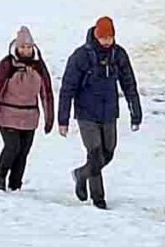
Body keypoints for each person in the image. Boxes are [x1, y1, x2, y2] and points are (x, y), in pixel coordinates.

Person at [57, 16, 142, 209]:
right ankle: (98, 198)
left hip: (109, 112)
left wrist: (135, 111)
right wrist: (63, 119)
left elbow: (129, 83)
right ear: (96, 35)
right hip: (86, 113)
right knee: (95, 154)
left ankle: (81, 174)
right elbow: (67, 88)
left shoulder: (118, 55)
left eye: (110, 37)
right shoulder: (81, 56)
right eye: (103, 37)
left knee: (108, 153)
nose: (107, 41)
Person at [0, 27, 55, 190]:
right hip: (8, 114)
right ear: (16, 47)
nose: (26, 50)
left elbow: (47, 93)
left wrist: (49, 117)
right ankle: (1, 176)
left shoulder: (39, 66)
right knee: (12, 147)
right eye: (22, 47)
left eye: (29, 47)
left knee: (23, 152)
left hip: (30, 116)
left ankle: (16, 184)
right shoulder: (7, 65)